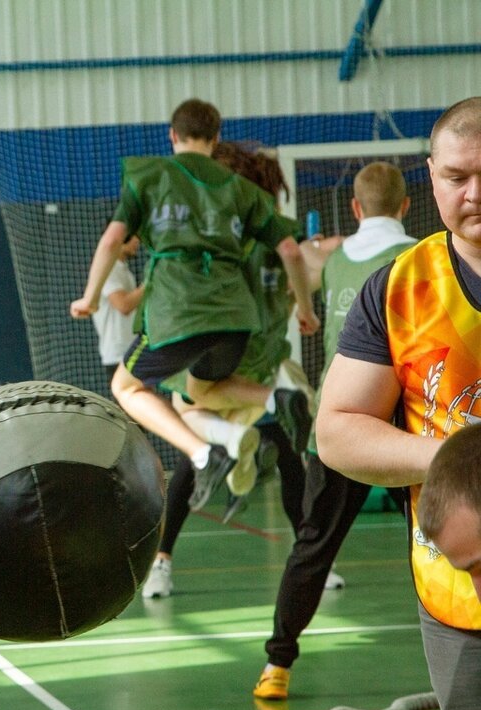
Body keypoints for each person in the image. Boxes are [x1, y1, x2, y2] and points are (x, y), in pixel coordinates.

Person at [317, 96, 481, 710]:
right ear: (431, 179)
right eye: (457, 177)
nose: (474, 194)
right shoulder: (400, 288)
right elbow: (337, 431)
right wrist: (454, 458)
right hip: (459, 593)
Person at [71, 99, 318, 512]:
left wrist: (91, 297)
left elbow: (113, 239)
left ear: (172, 134)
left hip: (178, 312)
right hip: (235, 321)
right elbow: (291, 250)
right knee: (201, 390)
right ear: (216, 137)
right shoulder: (241, 189)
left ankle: (204, 455)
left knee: (124, 387)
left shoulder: (151, 176)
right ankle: (276, 399)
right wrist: (307, 310)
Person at [253, 160, 415, 699]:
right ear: (406, 205)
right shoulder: (420, 259)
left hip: (340, 426)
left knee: (313, 546)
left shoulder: (334, 258)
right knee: (450, 537)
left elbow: (295, 258)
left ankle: (277, 665)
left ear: (354, 208)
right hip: (405, 431)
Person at [140, 141, 316, 599]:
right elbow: (305, 258)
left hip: (222, 357)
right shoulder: (277, 237)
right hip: (264, 361)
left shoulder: (223, 238)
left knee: (187, 424)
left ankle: (162, 559)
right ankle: (313, 558)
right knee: (286, 455)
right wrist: (306, 305)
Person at [73, 234, 143, 382]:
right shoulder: (109, 269)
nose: (138, 241)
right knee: (129, 393)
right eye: (135, 236)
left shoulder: (123, 270)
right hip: (118, 353)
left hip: (131, 349)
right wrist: (151, 282)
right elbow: (123, 305)